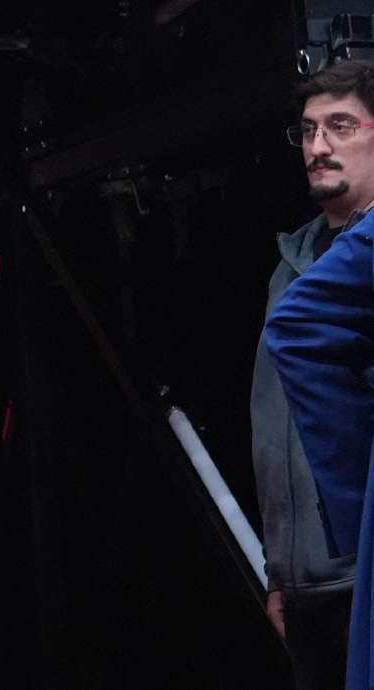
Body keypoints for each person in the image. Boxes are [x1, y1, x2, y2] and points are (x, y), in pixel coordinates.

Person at [252, 59, 374, 690]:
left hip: (364, 572)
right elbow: (276, 432)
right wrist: (281, 573)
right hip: (305, 584)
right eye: (307, 130)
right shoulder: (291, 265)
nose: (318, 147)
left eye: (341, 125)